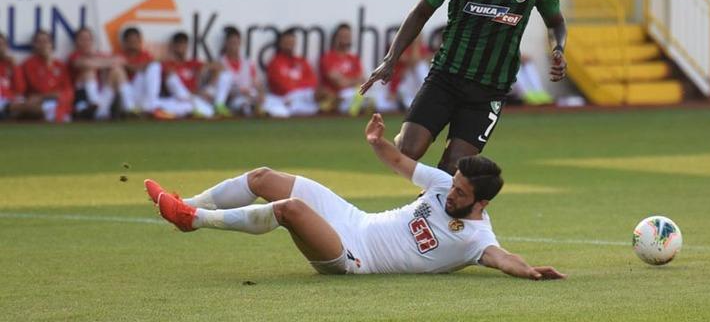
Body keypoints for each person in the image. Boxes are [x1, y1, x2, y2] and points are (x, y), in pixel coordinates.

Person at [145, 113, 566, 280]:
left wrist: (529, 270)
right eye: (453, 184)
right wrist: (376, 143)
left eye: (460, 192)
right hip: (354, 219)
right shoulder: (441, 183)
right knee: (263, 178)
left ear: (482, 204)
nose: (449, 192)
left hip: (352, 257)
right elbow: (401, 164)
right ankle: (188, 204)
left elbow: (503, 258)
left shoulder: (477, 240)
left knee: (290, 209)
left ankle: (192, 220)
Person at [360, 0, 567, 174]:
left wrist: (558, 48)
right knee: (407, 152)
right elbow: (421, 13)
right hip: (446, 78)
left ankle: (428, 209)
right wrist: (391, 59)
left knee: (452, 169)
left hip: (490, 90)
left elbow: (556, 22)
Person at [320, 24, 397, 115]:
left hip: (355, 92)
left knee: (378, 96)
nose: (345, 38)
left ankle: (359, 106)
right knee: (358, 97)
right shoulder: (328, 58)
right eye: (342, 36)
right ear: (336, 38)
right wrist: (354, 80)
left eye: (347, 36)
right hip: (339, 95)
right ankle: (357, 107)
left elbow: (363, 80)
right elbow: (339, 83)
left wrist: (348, 81)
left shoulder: (353, 58)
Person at [67, 27, 135, 120]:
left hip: (103, 93)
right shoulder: (74, 55)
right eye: (82, 39)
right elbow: (84, 64)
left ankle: (129, 108)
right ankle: (95, 105)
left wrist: (99, 61)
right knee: (89, 71)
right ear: (77, 42)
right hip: (82, 97)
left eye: (88, 39)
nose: (85, 42)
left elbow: (122, 60)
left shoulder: (98, 54)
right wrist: (106, 63)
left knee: (117, 71)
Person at [18, 31, 74, 122]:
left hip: (58, 103)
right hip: (38, 105)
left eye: (46, 41)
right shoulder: (29, 64)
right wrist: (48, 64)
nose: (43, 45)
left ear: (51, 44)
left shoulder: (60, 65)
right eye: (39, 42)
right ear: (34, 45)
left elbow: (68, 90)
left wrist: (46, 96)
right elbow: (40, 87)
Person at [161, 31, 219, 118]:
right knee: (172, 78)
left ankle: (184, 109)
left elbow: (218, 67)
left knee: (209, 112)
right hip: (178, 97)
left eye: (184, 45)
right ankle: (187, 107)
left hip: (193, 97)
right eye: (179, 45)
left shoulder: (192, 63)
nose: (182, 48)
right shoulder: (168, 64)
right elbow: (169, 85)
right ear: (173, 47)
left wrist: (205, 69)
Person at [263, 28, 319, 118]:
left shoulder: (301, 61)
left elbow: (313, 81)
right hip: (286, 97)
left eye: (292, 42)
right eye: (287, 42)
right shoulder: (275, 62)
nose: (290, 45)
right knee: (280, 109)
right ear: (280, 44)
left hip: (304, 95)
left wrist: (295, 84)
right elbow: (282, 86)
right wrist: (300, 84)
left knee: (319, 95)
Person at [210, 26, 264, 117]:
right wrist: (238, 92)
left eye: (236, 42)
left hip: (250, 94)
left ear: (240, 43)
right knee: (243, 106)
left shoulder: (248, 62)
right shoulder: (220, 62)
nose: (234, 45)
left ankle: (256, 108)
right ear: (226, 43)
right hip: (233, 98)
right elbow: (217, 87)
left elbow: (256, 83)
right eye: (231, 42)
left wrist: (261, 94)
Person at [118, 27, 169, 117]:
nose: (133, 44)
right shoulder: (120, 55)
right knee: (148, 68)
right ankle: (137, 109)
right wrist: (141, 66)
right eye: (131, 41)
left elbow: (154, 64)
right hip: (128, 94)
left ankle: (152, 106)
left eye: (136, 41)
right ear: (125, 42)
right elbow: (132, 68)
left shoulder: (145, 55)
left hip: (143, 95)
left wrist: (143, 66)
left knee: (154, 66)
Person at [388, 37, 432, 110]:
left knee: (421, 66)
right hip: (401, 85)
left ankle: (428, 94)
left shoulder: (422, 47)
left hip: (416, 86)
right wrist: (415, 45)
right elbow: (413, 61)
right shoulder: (398, 46)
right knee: (419, 66)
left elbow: (429, 58)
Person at [0, 32, 24, 120]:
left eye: (2, 44)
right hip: (3, 102)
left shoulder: (11, 64)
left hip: (11, 101)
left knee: (33, 109)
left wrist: (15, 67)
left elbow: (20, 89)